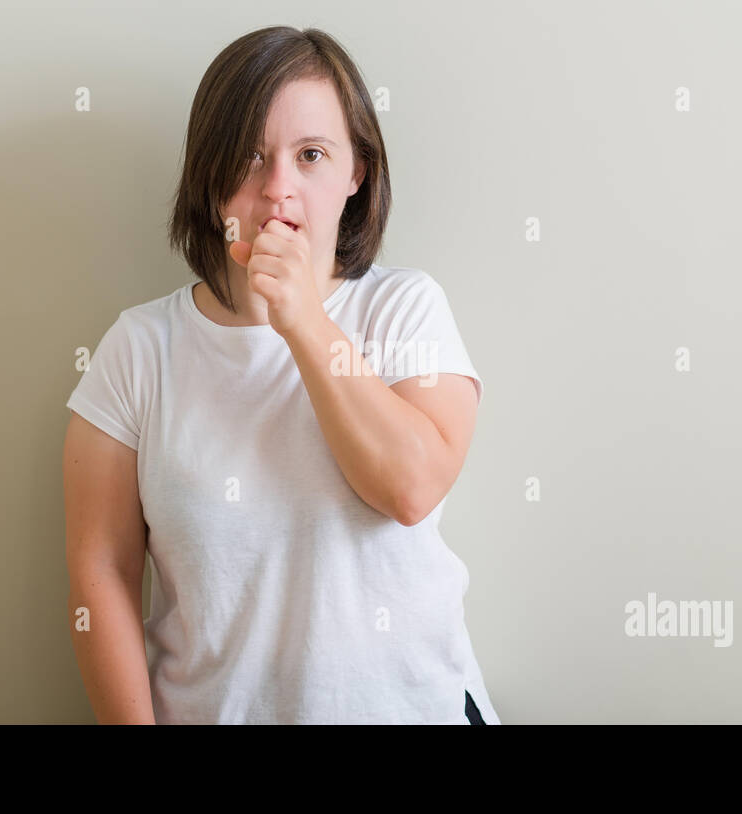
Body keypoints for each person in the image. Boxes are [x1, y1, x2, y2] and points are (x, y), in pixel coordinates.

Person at [63, 25, 499, 724]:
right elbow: (102, 578)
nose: (278, 190)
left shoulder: (407, 308)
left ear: (356, 173)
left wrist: (301, 320)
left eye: (311, 156)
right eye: (250, 157)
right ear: (210, 181)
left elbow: (411, 487)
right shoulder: (137, 349)